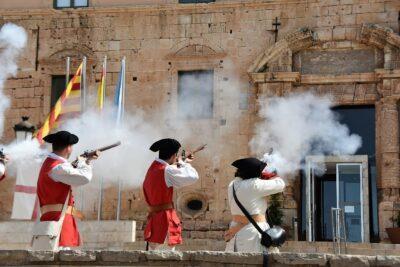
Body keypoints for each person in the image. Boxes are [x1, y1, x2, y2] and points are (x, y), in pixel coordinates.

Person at [36, 130, 99, 248]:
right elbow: (85, 178)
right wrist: (84, 163)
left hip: (53, 222)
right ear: (68, 148)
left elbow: (70, 170)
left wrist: (87, 160)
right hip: (60, 222)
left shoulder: (52, 164)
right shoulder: (57, 167)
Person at [143, 138, 199, 250]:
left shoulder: (153, 168)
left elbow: (172, 170)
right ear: (174, 155)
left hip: (155, 221)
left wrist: (182, 160)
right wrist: (183, 162)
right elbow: (193, 177)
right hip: (164, 222)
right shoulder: (166, 170)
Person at [225, 157, 285, 253]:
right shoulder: (254, 185)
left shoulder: (232, 185)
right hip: (253, 232)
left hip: (235, 229)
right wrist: (270, 175)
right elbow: (280, 184)